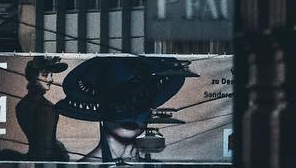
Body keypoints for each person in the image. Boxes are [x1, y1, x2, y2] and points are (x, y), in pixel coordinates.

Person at [50, 56, 192, 162]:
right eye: (119, 104)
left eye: (138, 104)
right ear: (102, 108)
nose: (132, 116)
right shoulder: (84, 167)